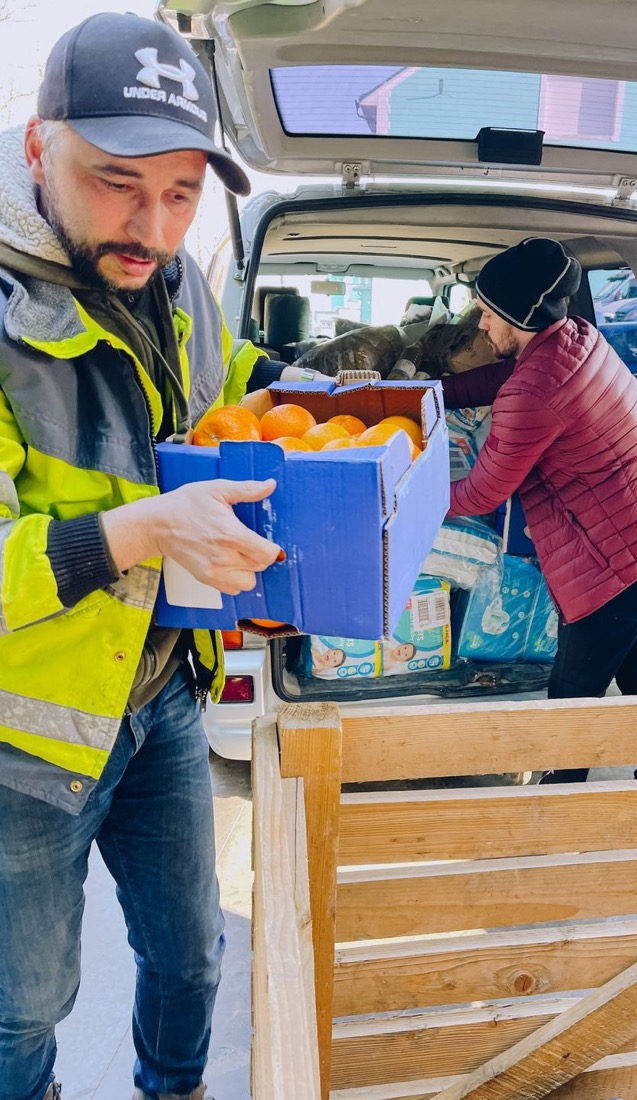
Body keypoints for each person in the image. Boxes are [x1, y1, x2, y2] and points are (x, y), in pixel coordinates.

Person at [0, 13, 282, 1100]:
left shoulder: (172, 278)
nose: (152, 227)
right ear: (37, 146)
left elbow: (218, 386)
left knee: (194, 949)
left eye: (180, 194)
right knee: (24, 1001)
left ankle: (176, 1089)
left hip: (162, 693)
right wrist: (144, 532)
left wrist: (305, 391)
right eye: (117, 182)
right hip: (26, 738)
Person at [442, 237, 637, 782]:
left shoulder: (534, 393)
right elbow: (504, 378)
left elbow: (482, 494)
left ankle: (558, 812)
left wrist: (397, 496)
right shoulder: (577, 339)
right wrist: (432, 391)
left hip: (624, 567)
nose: (481, 323)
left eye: (488, 312)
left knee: (570, 700)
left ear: (517, 316)